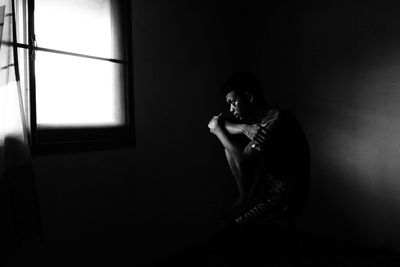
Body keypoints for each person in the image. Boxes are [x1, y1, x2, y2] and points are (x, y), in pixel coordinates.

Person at [207, 72, 309, 265]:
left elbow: (242, 158)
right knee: (231, 138)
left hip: (284, 194)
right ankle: (243, 196)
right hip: (267, 186)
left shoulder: (274, 122)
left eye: (233, 102)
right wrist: (244, 128)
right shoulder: (259, 118)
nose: (230, 108)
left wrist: (218, 130)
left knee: (232, 229)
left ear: (249, 97)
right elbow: (225, 121)